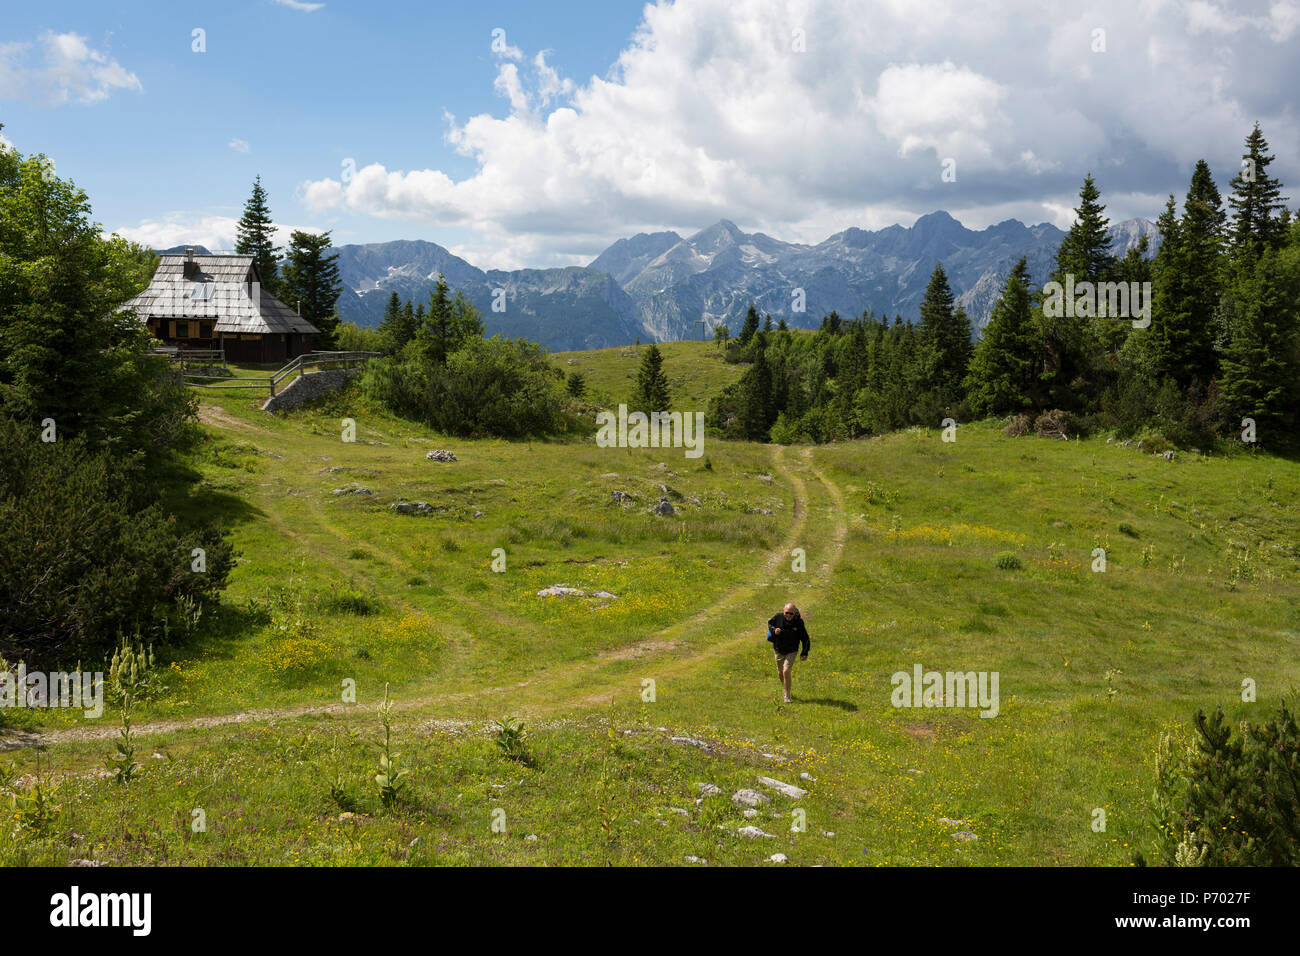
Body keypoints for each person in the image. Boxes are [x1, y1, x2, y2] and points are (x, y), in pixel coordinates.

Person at [767, 603, 810, 703]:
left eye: (791, 613)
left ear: (794, 613)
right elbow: (770, 623)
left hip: (792, 650)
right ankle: (786, 688)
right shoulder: (778, 617)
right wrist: (774, 630)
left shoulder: (799, 622)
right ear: (783, 611)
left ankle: (787, 696)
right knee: (780, 673)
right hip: (778, 649)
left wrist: (804, 652)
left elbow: (805, 638)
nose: (789, 615)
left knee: (786, 671)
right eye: (787, 613)